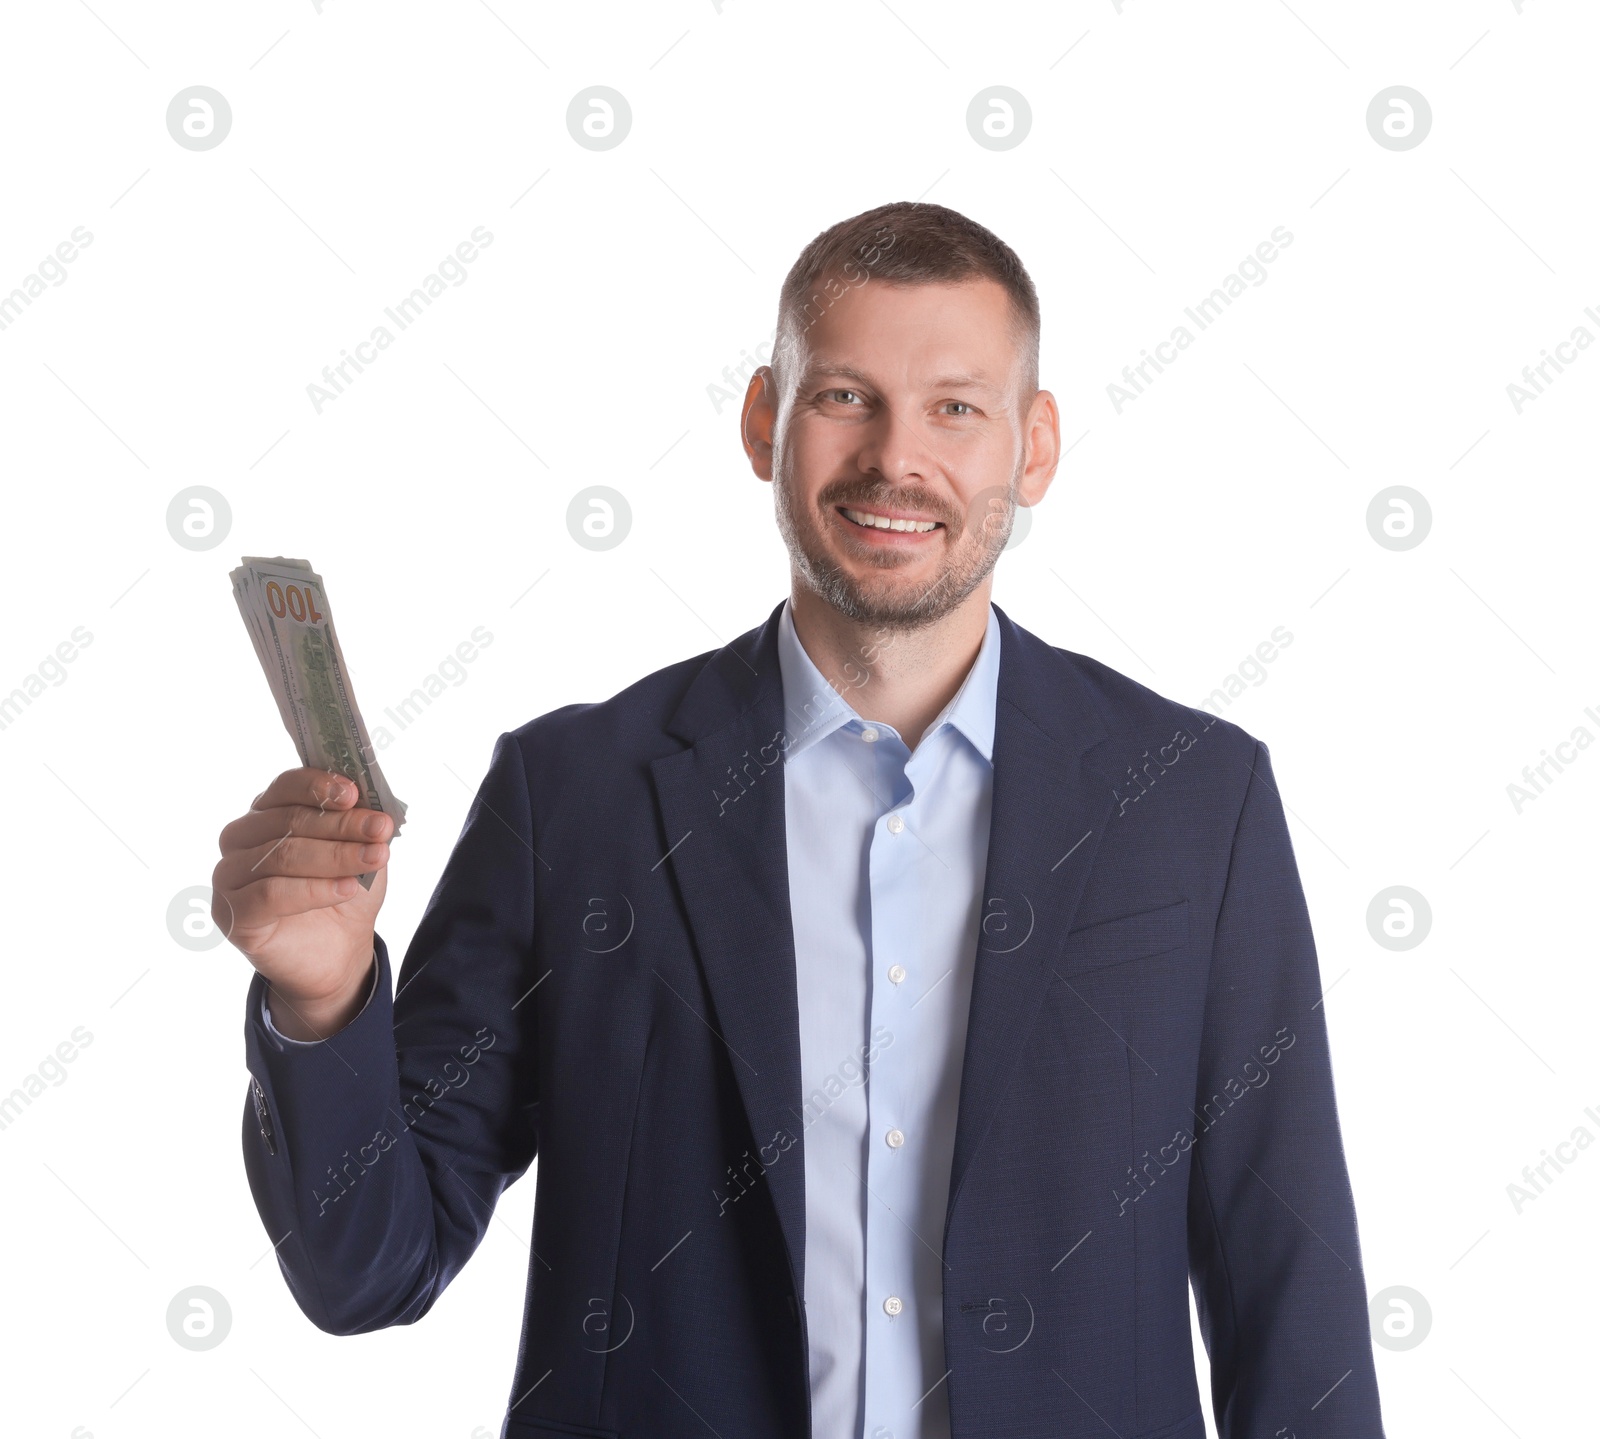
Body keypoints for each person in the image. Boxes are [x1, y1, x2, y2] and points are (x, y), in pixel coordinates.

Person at [215, 201, 1386, 1439]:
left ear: (1032, 446)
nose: (897, 459)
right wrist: (324, 1001)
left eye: (955, 406)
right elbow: (369, 1265)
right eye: (844, 397)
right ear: (763, 422)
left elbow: (1287, 1287)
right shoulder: (574, 794)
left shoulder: (1195, 799)